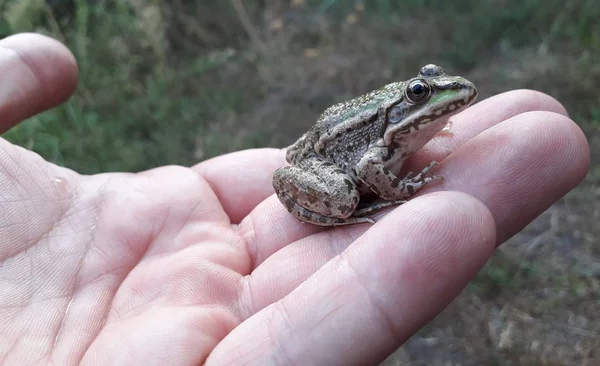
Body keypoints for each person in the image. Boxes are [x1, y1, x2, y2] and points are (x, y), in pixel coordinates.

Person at [0, 33, 590, 365]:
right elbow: (366, 165)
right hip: (324, 164)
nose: (436, 97)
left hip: (323, 142)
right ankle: (347, 211)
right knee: (348, 189)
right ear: (404, 102)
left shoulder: (405, 123)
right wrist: (395, 191)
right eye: (419, 94)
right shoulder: (383, 138)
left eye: (427, 87)